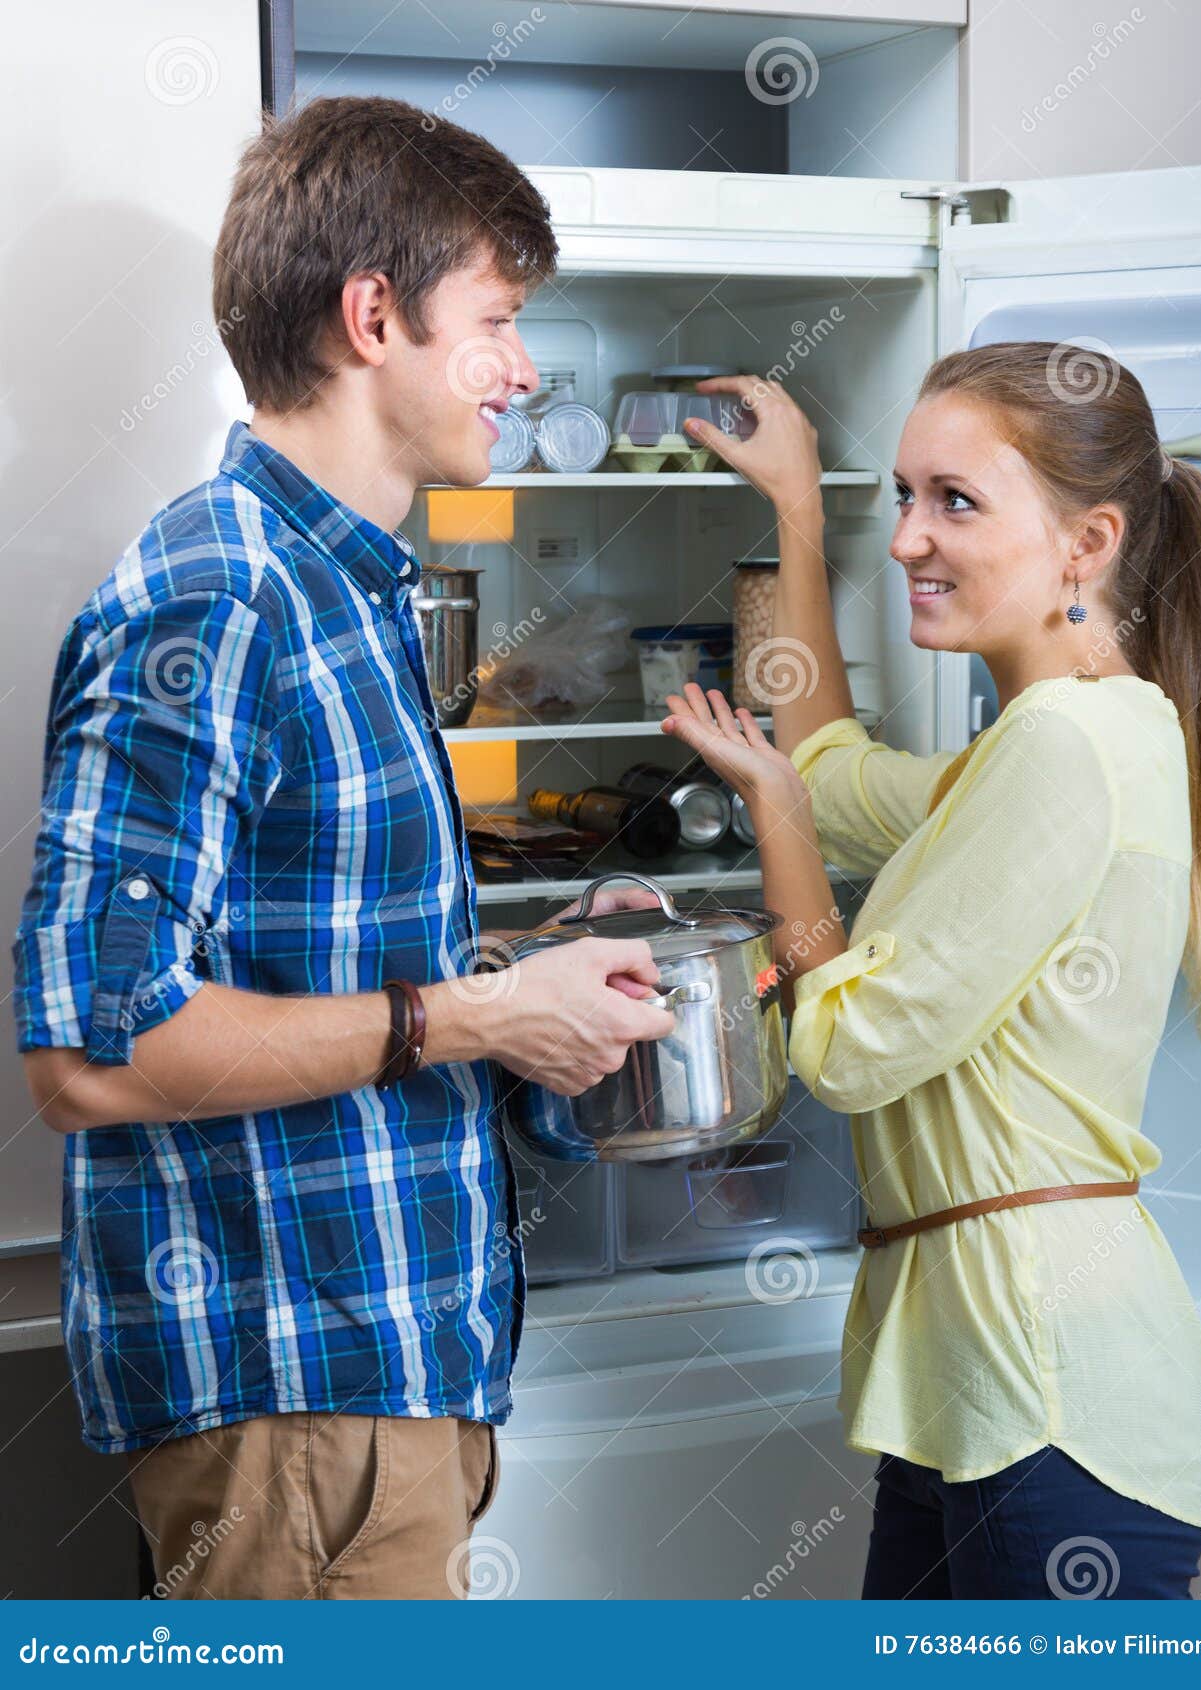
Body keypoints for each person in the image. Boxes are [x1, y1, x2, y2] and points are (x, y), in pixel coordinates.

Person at [11, 96, 674, 1601]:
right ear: (373, 316)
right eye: (495, 321)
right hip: (293, 1412)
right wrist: (467, 1015)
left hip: (377, 1390)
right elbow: (93, 1052)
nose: (520, 369)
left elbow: (329, 973)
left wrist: (526, 980)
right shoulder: (218, 597)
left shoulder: (350, 595)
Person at [664, 346, 1201, 1599]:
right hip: (976, 1392)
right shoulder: (1058, 740)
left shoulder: (1064, 746)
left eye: (958, 502)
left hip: (1051, 1395)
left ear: (1087, 542)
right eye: (909, 496)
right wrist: (800, 504)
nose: (911, 539)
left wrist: (771, 822)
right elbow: (826, 767)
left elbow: (849, 1047)